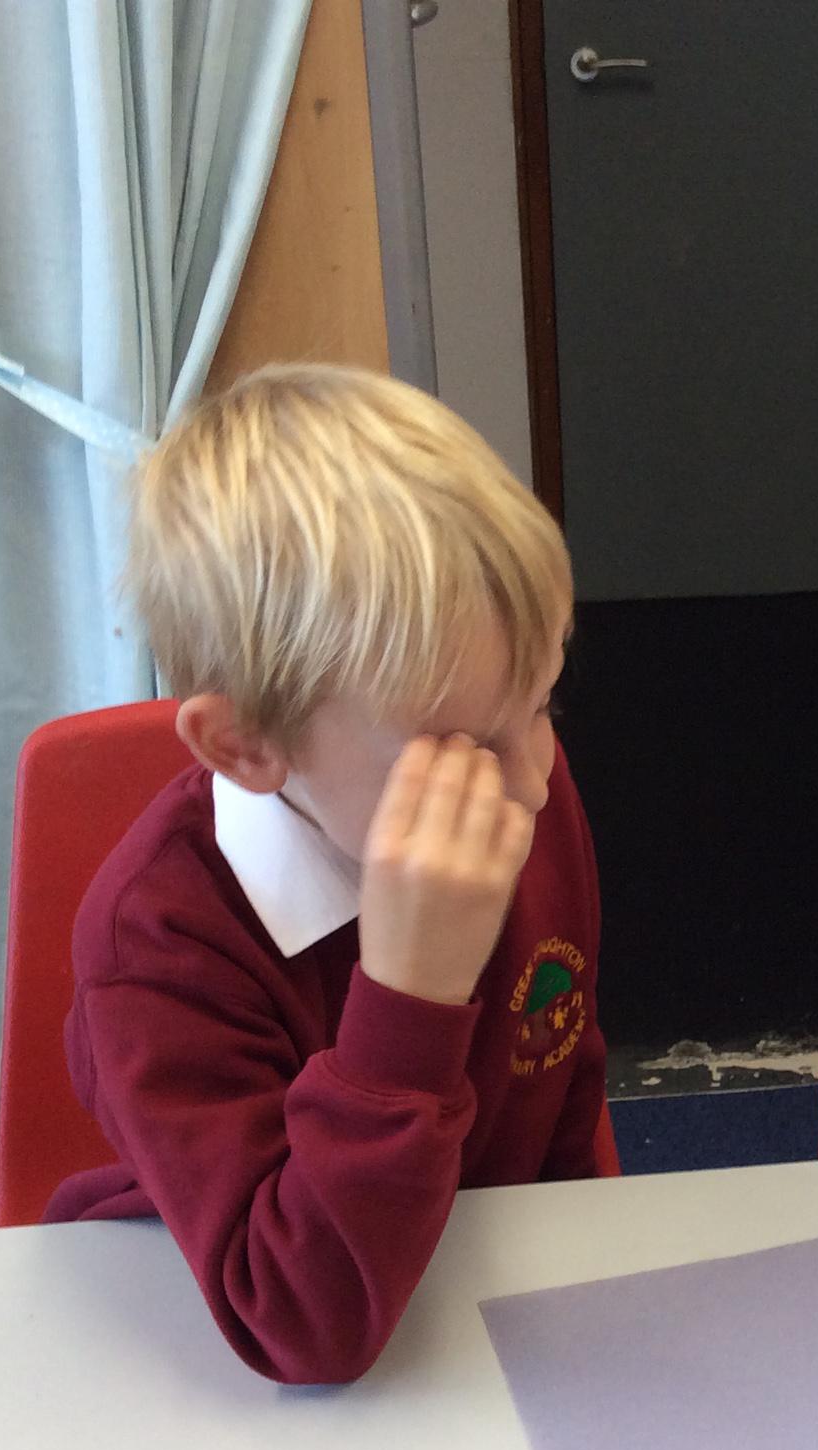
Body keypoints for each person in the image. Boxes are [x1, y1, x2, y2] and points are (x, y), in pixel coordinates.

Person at [49, 365, 611, 1383]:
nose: (533, 784)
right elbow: (299, 1323)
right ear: (247, 747)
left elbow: (559, 1075)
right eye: (463, 750)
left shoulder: (518, 793)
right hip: (250, 1348)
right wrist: (410, 999)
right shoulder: (160, 942)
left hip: (474, 1315)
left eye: (542, 705)